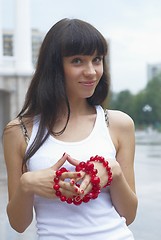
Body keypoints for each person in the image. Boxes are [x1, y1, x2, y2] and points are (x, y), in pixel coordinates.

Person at [3, 18, 138, 240]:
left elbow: (129, 214)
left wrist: (113, 171)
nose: (92, 71)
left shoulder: (118, 124)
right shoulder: (19, 131)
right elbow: (18, 224)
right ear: (54, 66)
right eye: (77, 61)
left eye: (97, 59)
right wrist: (28, 185)